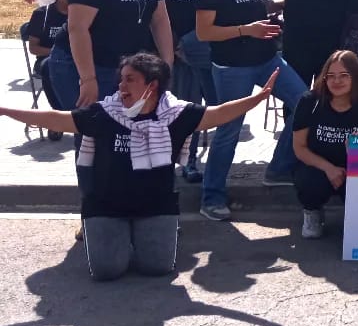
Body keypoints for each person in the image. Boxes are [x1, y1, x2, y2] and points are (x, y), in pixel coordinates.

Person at [0, 53, 277, 280]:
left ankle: (139, 236)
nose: (121, 86)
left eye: (130, 80)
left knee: (158, 269)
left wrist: (258, 98)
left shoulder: (176, 115)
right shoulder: (104, 113)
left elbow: (219, 114)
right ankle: (117, 235)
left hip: (156, 206)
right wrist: (5, 110)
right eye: (121, 79)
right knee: (107, 272)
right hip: (106, 206)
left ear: (152, 86)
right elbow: (57, 119)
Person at [194, 0, 309, 221]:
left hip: (268, 59)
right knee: (229, 130)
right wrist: (248, 30)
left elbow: (257, 5)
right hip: (233, 68)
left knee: (306, 103)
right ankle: (212, 196)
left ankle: (278, 168)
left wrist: (284, 2)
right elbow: (205, 32)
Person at [293, 50, 358, 239]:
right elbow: (299, 147)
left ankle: (355, 216)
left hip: (353, 170)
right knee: (309, 181)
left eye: (343, 76)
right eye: (330, 76)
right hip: (318, 167)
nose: (336, 81)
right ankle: (312, 212)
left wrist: (357, 150)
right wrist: (329, 168)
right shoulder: (310, 101)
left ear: (355, 77)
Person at [155, 0, 214, 182]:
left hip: (197, 50)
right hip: (165, 50)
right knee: (165, 107)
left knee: (189, 106)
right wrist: (172, 44)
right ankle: (162, 158)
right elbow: (153, 13)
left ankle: (189, 160)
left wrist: (189, 44)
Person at [26, 0, 72, 65]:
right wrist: (60, 53)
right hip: (48, 60)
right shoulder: (42, 14)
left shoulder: (83, 14)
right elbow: (33, 48)